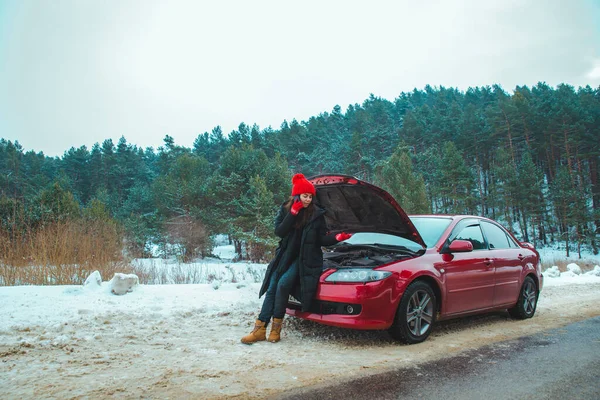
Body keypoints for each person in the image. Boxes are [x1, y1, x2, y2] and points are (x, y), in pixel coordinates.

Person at [241, 173, 352, 344]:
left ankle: (276, 329)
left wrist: (337, 238)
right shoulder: (286, 210)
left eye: (310, 196)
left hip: (306, 260)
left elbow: (321, 239)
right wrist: (292, 214)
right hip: (285, 256)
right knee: (272, 287)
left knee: (283, 285)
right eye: (305, 195)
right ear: (296, 195)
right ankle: (259, 329)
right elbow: (279, 231)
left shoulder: (317, 215)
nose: (307, 199)